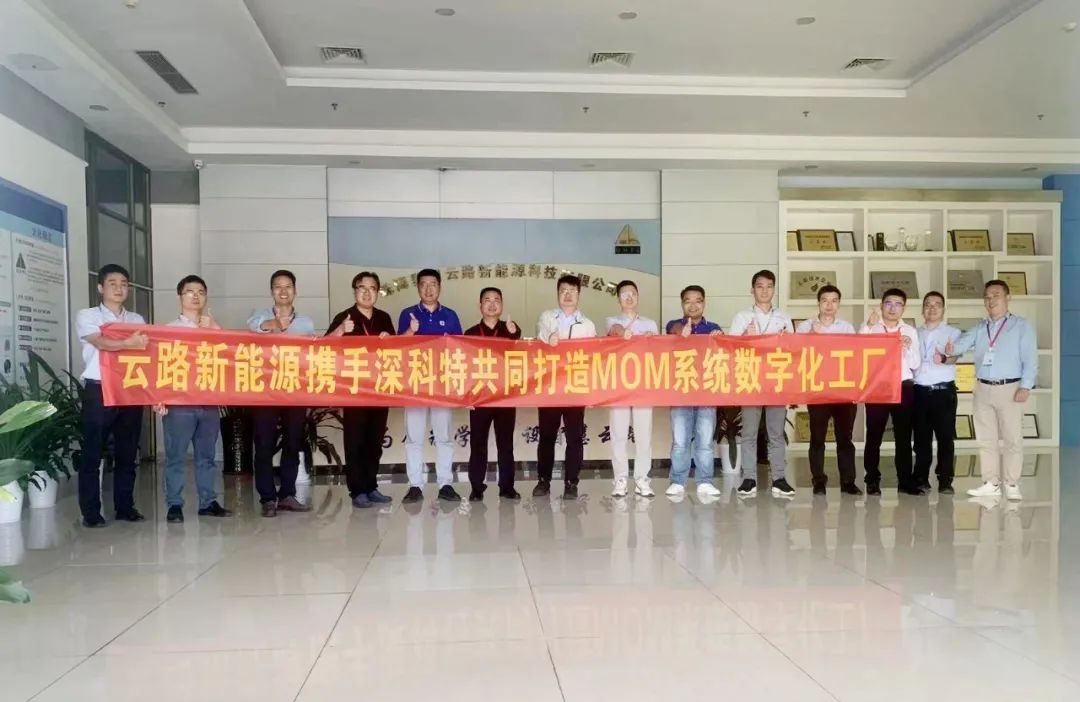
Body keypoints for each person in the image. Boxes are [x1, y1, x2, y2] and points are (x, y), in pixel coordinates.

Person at [948, 280, 1037, 501]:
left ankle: (1012, 483)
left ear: (1008, 298)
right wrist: (950, 349)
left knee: (1012, 438)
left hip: (1010, 388)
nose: (991, 300)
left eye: (996, 295)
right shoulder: (981, 327)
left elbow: (1030, 359)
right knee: (986, 438)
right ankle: (991, 483)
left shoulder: (1021, 326)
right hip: (982, 388)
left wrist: (1025, 386)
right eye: (987, 297)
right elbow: (961, 345)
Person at [74, 264, 149, 528]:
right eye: (112, 283)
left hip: (129, 389)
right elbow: (99, 342)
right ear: (100, 287)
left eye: (124, 284)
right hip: (99, 388)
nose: (119, 288)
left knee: (128, 452)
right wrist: (127, 344)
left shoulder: (137, 320)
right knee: (93, 452)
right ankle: (91, 512)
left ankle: (125, 507)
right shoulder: (88, 315)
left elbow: (148, 355)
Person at [153, 275, 231, 523]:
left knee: (206, 457)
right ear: (180, 296)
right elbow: (158, 366)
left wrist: (216, 329)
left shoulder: (214, 329)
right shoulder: (168, 330)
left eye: (201, 292)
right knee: (176, 456)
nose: (196, 296)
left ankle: (208, 502)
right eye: (190, 291)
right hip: (179, 404)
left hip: (208, 403)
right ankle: (174, 504)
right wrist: (158, 397)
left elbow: (231, 358)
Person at [247, 269, 316, 517]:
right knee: (264, 444)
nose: (283, 291)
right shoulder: (259, 317)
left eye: (288, 287)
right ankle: (267, 498)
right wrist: (274, 325)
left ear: (295, 291)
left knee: (292, 443)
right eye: (278, 287)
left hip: (295, 390)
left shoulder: (306, 323)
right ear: (272, 291)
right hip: (265, 391)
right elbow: (255, 328)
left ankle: (287, 494)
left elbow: (314, 354)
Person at [327, 271, 395, 509]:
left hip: (379, 390)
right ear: (354, 290)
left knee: (374, 441)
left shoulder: (384, 318)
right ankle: (357, 490)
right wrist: (340, 330)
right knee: (355, 441)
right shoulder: (344, 317)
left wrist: (390, 339)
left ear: (378, 292)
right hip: (353, 390)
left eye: (372, 288)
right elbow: (324, 348)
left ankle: (370, 485)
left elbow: (397, 352)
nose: (367, 293)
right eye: (362, 288)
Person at [397, 268, 463, 503]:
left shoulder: (451, 315)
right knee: (414, 439)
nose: (428, 289)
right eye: (423, 284)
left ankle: (445, 484)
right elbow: (397, 348)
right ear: (418, 288)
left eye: (432, 284)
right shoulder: (407, 314)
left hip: (442, 386)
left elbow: (461, 350)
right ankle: (415, 485)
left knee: (443, 437)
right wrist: (410, 331)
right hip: (415, 384)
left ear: (439, 287)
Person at [729, 270, 796, 498]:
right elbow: (731, 349)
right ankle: (749, 479)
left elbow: (792, 351)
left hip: (776, 380)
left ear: (774, 289)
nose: (764, 291)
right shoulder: (742, 317)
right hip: (751, 380)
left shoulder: (784, 317)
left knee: (776, 433)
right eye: (760, 286)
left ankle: (779, 478)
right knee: (749, 433)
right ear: (752, 290)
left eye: (769, 286)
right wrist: (745, 338)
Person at [535, 274, 597, 500]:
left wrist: (593, 391)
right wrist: (549, 336)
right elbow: (540, 332)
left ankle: (571, 482)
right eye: (563, 291)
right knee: (547, 437)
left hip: (575, 389)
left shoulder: (588, 325)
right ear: (557, 294)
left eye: (572, 290)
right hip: (550, 387)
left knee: (574, 438)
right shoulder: (547, 317)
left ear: (579, 294)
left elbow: (593, 358)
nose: (567, 295)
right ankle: (543, 481)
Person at [795, 284, 860, 495]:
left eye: (834, 301)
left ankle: (848, 482)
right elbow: (796, 354)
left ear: (839, 304)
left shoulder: (847, 328)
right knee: (817, 438)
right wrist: (813, 335)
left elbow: (855, 356)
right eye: (825, 300)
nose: (829, 305)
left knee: (845, 439)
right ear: (818, 303)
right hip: (818, 390)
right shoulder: (805, 327)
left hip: (843, 391)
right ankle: (818, 481)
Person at [859, 288, 922, 496]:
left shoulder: (910, 331)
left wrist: (907, 347)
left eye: (898, 304)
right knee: (874, 435)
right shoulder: (871, 327)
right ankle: (872, 479)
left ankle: (904, 480)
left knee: (903, 436)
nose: (892, 308)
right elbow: (858, 352)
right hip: (877, 386)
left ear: (904, 308)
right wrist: (868, 326)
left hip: (903, 386)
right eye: (888, 303)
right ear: (881, 305)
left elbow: (915, 364)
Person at [664, 285, 724, 500]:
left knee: (705, 440)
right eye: (688, 301)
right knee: (680, 441)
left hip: (707, 392)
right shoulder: (674, 325)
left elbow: (725, 354)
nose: (693, 305)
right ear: (682, 304)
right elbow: (673, 329)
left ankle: (705, 481)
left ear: (704, 303)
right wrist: (682, 331)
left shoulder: (714, 327)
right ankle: (677, 481)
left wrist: (720, 338)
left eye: (697, 301)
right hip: (681, 391)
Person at [464, 287, 522, 502]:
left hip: (505, 397)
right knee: (478, 444)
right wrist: (466, 397)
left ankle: (507, 487)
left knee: (505, 444)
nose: (491, 304)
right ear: (480, 306)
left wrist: (514, 333)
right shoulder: (470, 333)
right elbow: (464, 367)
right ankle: (476, 487)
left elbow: (521, 355)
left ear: (502, 306)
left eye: (496, 300)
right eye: (487, 300)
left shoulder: (510, 330)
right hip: (479, 398)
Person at [604, 280, 660, 498]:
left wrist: (650, 340)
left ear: (638, 297)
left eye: (633, 294)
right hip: (619, 385)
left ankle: (642, 479)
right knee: (618, 434)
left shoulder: (650, 324)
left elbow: (658, 351)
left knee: (643, 435)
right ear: (618, 299)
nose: (629, 297)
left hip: (643, 385)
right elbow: (614, 331)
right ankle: (620, 479)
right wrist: (624, 333)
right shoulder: (612, 320)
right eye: (624, 294)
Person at [913, 291, 962, 495]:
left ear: (943, 309)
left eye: (937, 304)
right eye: (928, 304)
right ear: (922, 309)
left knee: (945, 438)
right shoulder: (914, 333)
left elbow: (955, 358)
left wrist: (944, 358)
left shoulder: (953, 333)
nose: (932, 308)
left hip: (943, 392)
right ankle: (921, 477)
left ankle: (945, 479)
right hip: (919, 392)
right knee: (921, 438)